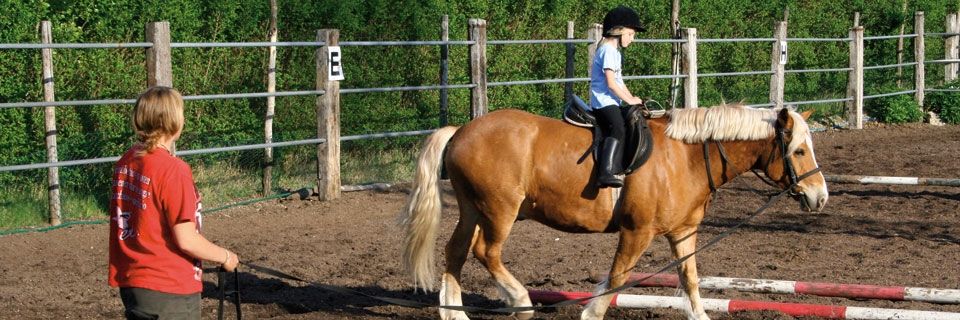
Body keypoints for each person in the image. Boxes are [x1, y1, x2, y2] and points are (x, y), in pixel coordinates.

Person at [108, 86, 240, 319]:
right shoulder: (173, 170)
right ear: (174, 122)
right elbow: (186, 239)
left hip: (133, 282)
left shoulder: (126, 161)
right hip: (168, 287)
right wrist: (226, 257)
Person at [590, 5, 646, 188]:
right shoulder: (608, 51)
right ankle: (604, 173)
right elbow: (611, 84)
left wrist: (634, 99)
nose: (632, 39)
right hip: (603, 102)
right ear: (618, 31)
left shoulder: (614, 52)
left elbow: (620, 82)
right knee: (618, 128)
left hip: (610, 100)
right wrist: (628, 100)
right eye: (630, 34)